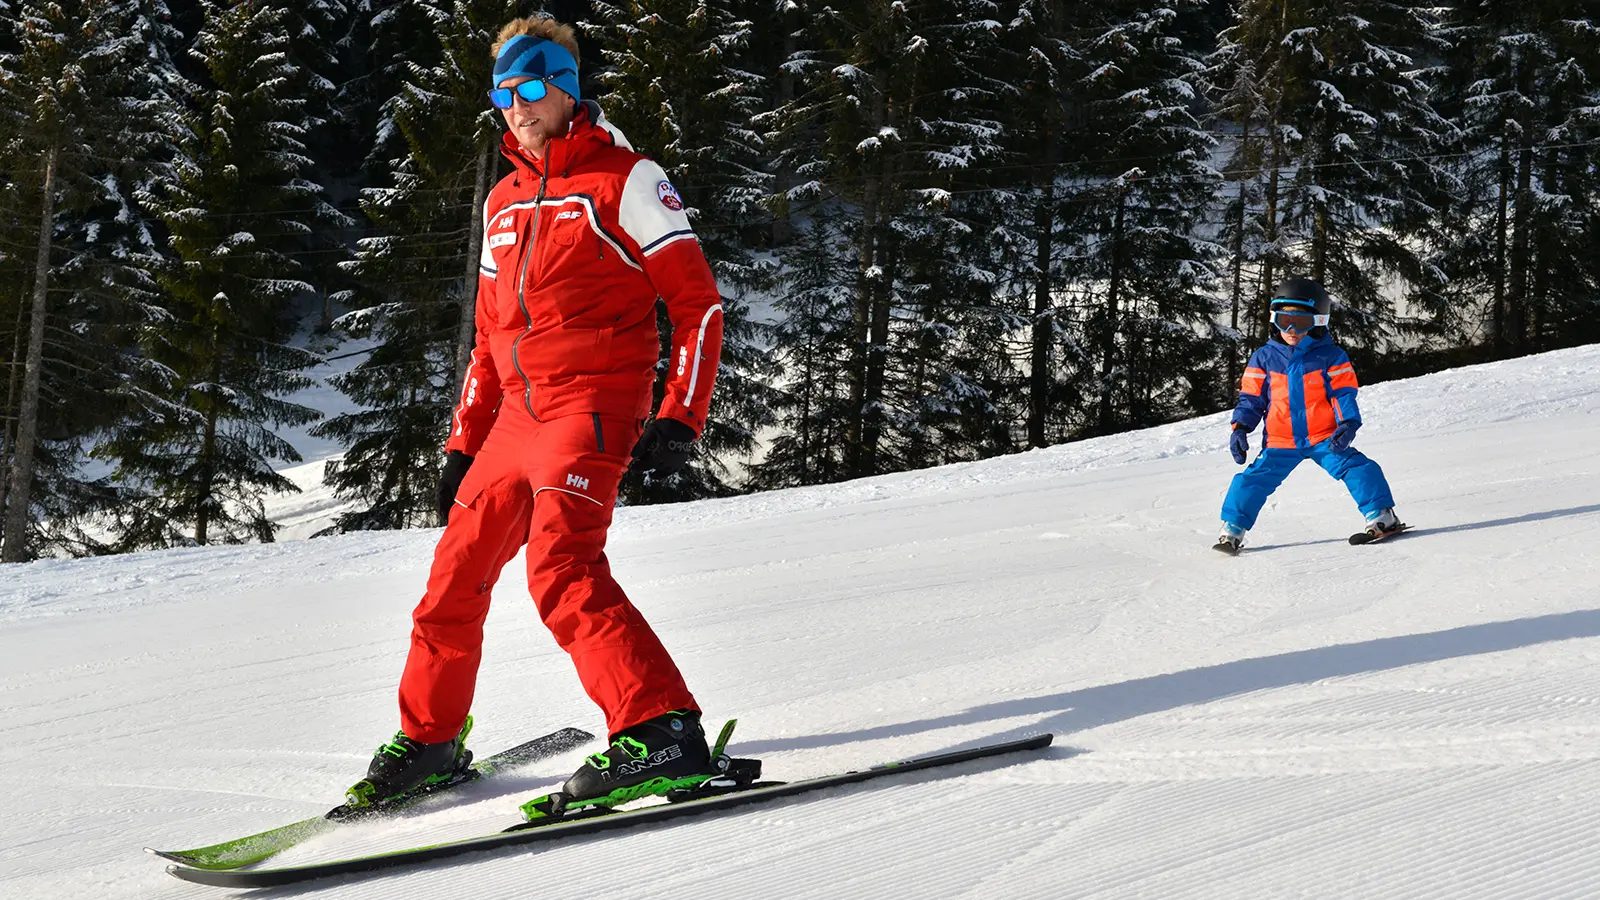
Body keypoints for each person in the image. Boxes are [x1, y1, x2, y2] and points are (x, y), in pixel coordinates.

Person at [345, 15, 726, 812]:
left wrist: (680, 414)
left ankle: (660, 729)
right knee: (452, 581)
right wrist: (462, 443)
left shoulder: (626, 179)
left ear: (566, 86)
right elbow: (490, 338)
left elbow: (695, 306)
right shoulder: (504, 200)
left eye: (529, 86)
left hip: (592, 405)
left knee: (561, 567)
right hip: (514, 419)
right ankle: (429, 742)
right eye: (501, 92)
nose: (516, 106)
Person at [1215, 277, 1403, 554]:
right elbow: (1251, 399)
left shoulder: (1331, 356)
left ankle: (1382, 516)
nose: (1291, 329)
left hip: (1324, 437)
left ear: (1318, 321)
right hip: (1281, 440)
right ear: (1273, 319)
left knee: (1359, 468)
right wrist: (1241, 427)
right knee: (1250, 480)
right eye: (1283, 320)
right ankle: (1231, 530)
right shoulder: (1264, 358)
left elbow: (1343, 393)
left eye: (1300, 322)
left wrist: (1348, 423)